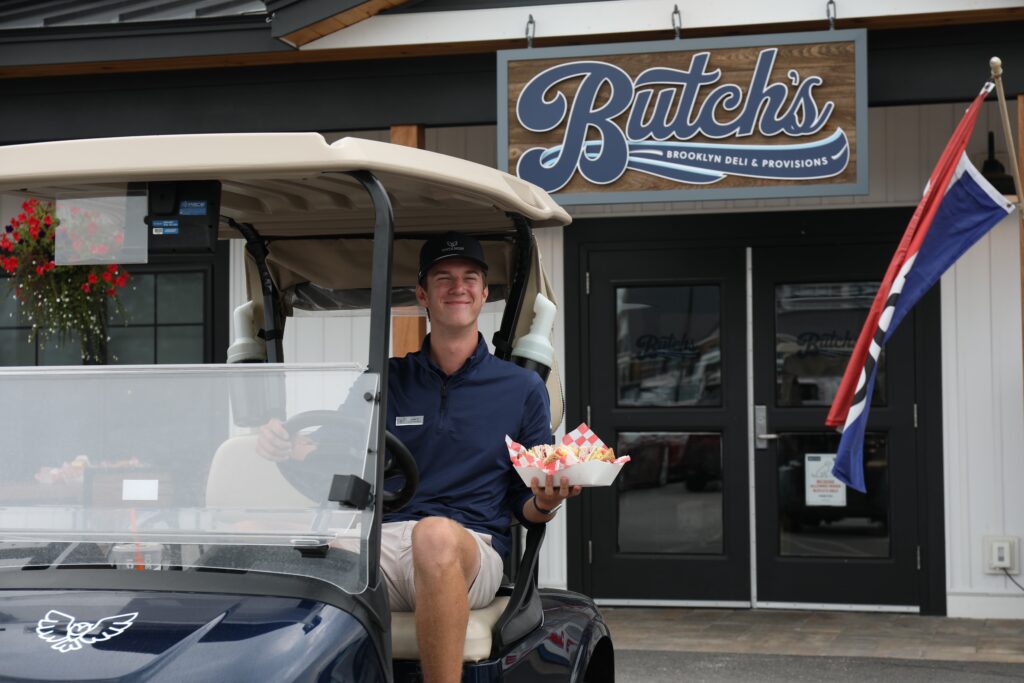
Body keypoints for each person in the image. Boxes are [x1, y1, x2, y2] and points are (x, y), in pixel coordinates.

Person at [257, 231, 580, 683]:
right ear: (423, 295)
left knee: (434, 537)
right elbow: (334, 457)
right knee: (265, 545)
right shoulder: (385, 379)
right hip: (382, 542)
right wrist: (285, 448)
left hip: (472, 547)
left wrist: (545, 502)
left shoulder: (521, 388)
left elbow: (524, 502)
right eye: (443, 278)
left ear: (483, 293)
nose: (458, 287)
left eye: (470, 278)